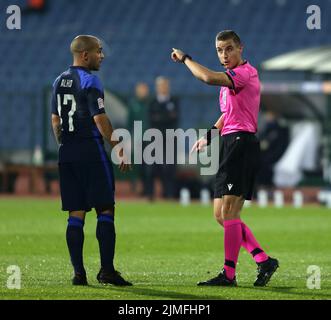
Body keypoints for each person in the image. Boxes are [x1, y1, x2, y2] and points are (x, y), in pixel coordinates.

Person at [172, 30, 279, 287]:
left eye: (229, 49)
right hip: (230, 142)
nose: (224, 55)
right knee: (221, 214)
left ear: (241, 48)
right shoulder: (232, 80)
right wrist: (209, 135)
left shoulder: (244, 73)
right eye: (220, 50)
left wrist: (186, 58)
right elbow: (227, 114)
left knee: (230, 213)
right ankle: (264, 260)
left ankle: (228, 275)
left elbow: (207, 77)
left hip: (242, 144)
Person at [51, 35, 132, 286]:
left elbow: (56, 120)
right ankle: (106, 271)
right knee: (105, 208)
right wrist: (117, 147)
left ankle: (78, 274)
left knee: (76, 213)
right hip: (91, 152)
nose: (102, 55)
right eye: (98, 51)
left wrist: (64, 144)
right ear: (85, 55)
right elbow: (100, 119)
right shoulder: (90, 80)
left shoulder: (58, 81)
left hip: (68, 153)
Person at [146, 76, 179, 200]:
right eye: (161, 85)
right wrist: (166, 117)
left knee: (169, 168)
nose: (163, 87)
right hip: (155, 139)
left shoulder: (174, 101)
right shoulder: (152, 102)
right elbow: (152, 120)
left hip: (170, 139)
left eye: (165, 85)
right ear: (157, 87)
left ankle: (169, 195)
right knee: (152, 168)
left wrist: (160, 117)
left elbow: (175, 118)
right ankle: (150, 195)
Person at [127, 82, 150, 195]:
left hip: (151, 139)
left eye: (144, 90)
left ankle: (148, 190)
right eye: (141, 90)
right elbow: (129, 123)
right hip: (137, 139)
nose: (143, 92)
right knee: (138, 165)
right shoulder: (133, 104)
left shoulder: (150, 104)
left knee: (148, 165)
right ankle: (136, 188)